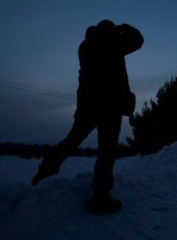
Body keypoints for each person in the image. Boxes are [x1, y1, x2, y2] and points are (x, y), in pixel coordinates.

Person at [31, 19, 144, 214]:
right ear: (110, 32)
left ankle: (43, 173)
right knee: (106, 151)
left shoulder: (85, 46)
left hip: (88, 107)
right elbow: (138, 40)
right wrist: (124, 28)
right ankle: (100, 196)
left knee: (71, 141)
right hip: (109, 107)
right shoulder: (114, 44)